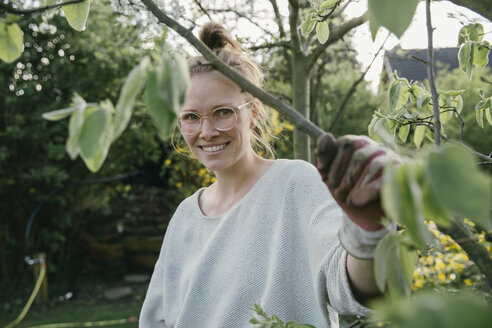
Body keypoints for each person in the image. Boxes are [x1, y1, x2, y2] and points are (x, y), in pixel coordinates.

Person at [139, 22, 397, 328]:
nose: (206, 132)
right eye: (191, 117)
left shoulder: (295, 183)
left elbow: (357, 286)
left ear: (254, 113)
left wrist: (368, 232)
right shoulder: (184, 217)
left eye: (223, 112)